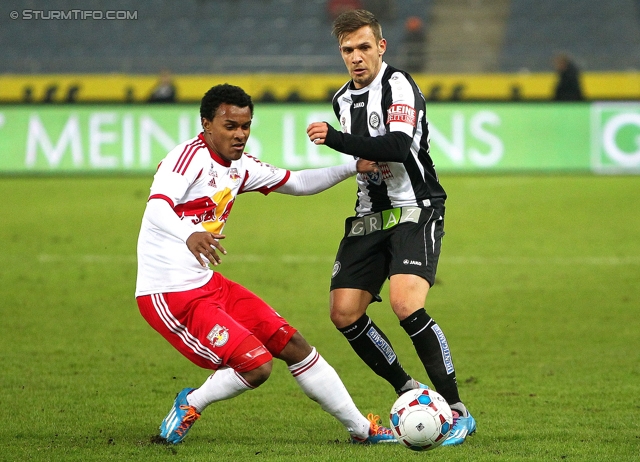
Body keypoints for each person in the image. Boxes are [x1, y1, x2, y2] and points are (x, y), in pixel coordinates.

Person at [135, 83, 395, 445]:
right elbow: (157, 205)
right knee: (257, 365)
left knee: (294, 345)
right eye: (230, 126)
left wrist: (353, 165)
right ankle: (190, 403)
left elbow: (298, 182)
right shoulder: (188, 158)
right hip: (169, 292)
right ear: (207, 124)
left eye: (246, 126)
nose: (240, 134)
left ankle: (362, 430)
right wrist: (189, 234)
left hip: (208, 284)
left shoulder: (240, 167)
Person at [306, 9, 476, 446]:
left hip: (415, 207)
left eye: (365, 47)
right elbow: (368, 155)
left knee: (405, 304)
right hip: (370, 214)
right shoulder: (342, 99)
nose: (357, 57)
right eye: (348, 50)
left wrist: (336, 140)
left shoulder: (399, 84)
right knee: (343, 313)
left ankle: (457, 410)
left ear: (381, 46)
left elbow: (399, 146)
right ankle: (408, 389)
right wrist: (354, 160)